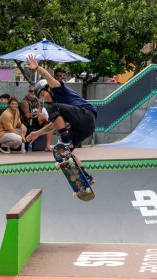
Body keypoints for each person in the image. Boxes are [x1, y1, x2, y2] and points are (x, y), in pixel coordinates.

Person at [25, 54, 97, 184]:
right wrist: (37, 133)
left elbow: (48, 77)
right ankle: (86, 177)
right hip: (85, 127)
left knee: (50, 107)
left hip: (86, 114)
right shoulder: (58, 109)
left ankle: (65, 139)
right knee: (65, 152)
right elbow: (54, 125)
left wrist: (37, 68)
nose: (43, 98)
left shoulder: (58, 89)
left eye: (42, 94)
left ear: (48, 89)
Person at [20, 84, 53, 152]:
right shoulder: (25, 102)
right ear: (28, 91)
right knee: (48, 118)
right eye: (31, 91)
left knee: (49, 123)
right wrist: (37, 114)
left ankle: (47, 146)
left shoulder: (37, 100)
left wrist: (39, 114)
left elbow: (41, 111)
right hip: (29, 122)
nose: (32, 93)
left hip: (38, 120)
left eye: (34, 91)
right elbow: (27, 116)